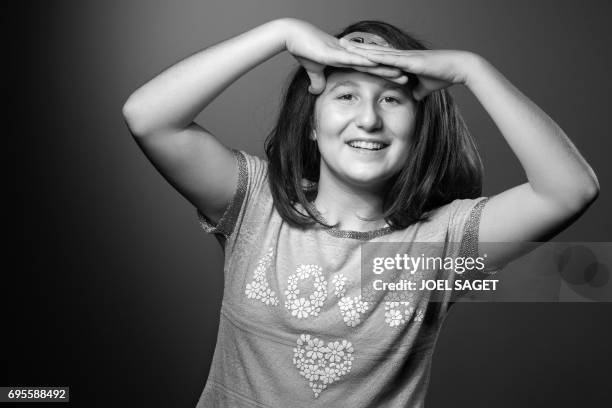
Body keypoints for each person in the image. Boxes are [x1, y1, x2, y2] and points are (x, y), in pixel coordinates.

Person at [122, 18, 599, 408]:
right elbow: (149, 117)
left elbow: (570, 190)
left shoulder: (443, 243)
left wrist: (473, 70)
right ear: (311, 122)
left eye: (391, 98)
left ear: (419, 128)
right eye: (346, 94)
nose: (368, 118)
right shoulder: (255, 203)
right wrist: (281, 32)